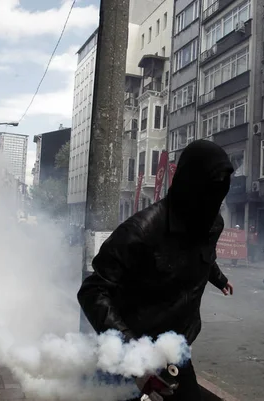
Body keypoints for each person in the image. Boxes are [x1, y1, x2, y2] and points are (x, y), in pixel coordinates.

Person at [77, 140, 235, 401]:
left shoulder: (211, 224)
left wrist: (219, 278)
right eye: (209, 188)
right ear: (190, 182)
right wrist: (133, 350)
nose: (214, 200)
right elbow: (93, 290)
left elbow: (200, 257)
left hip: (176, 348)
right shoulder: (140, 230)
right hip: (133, 351)